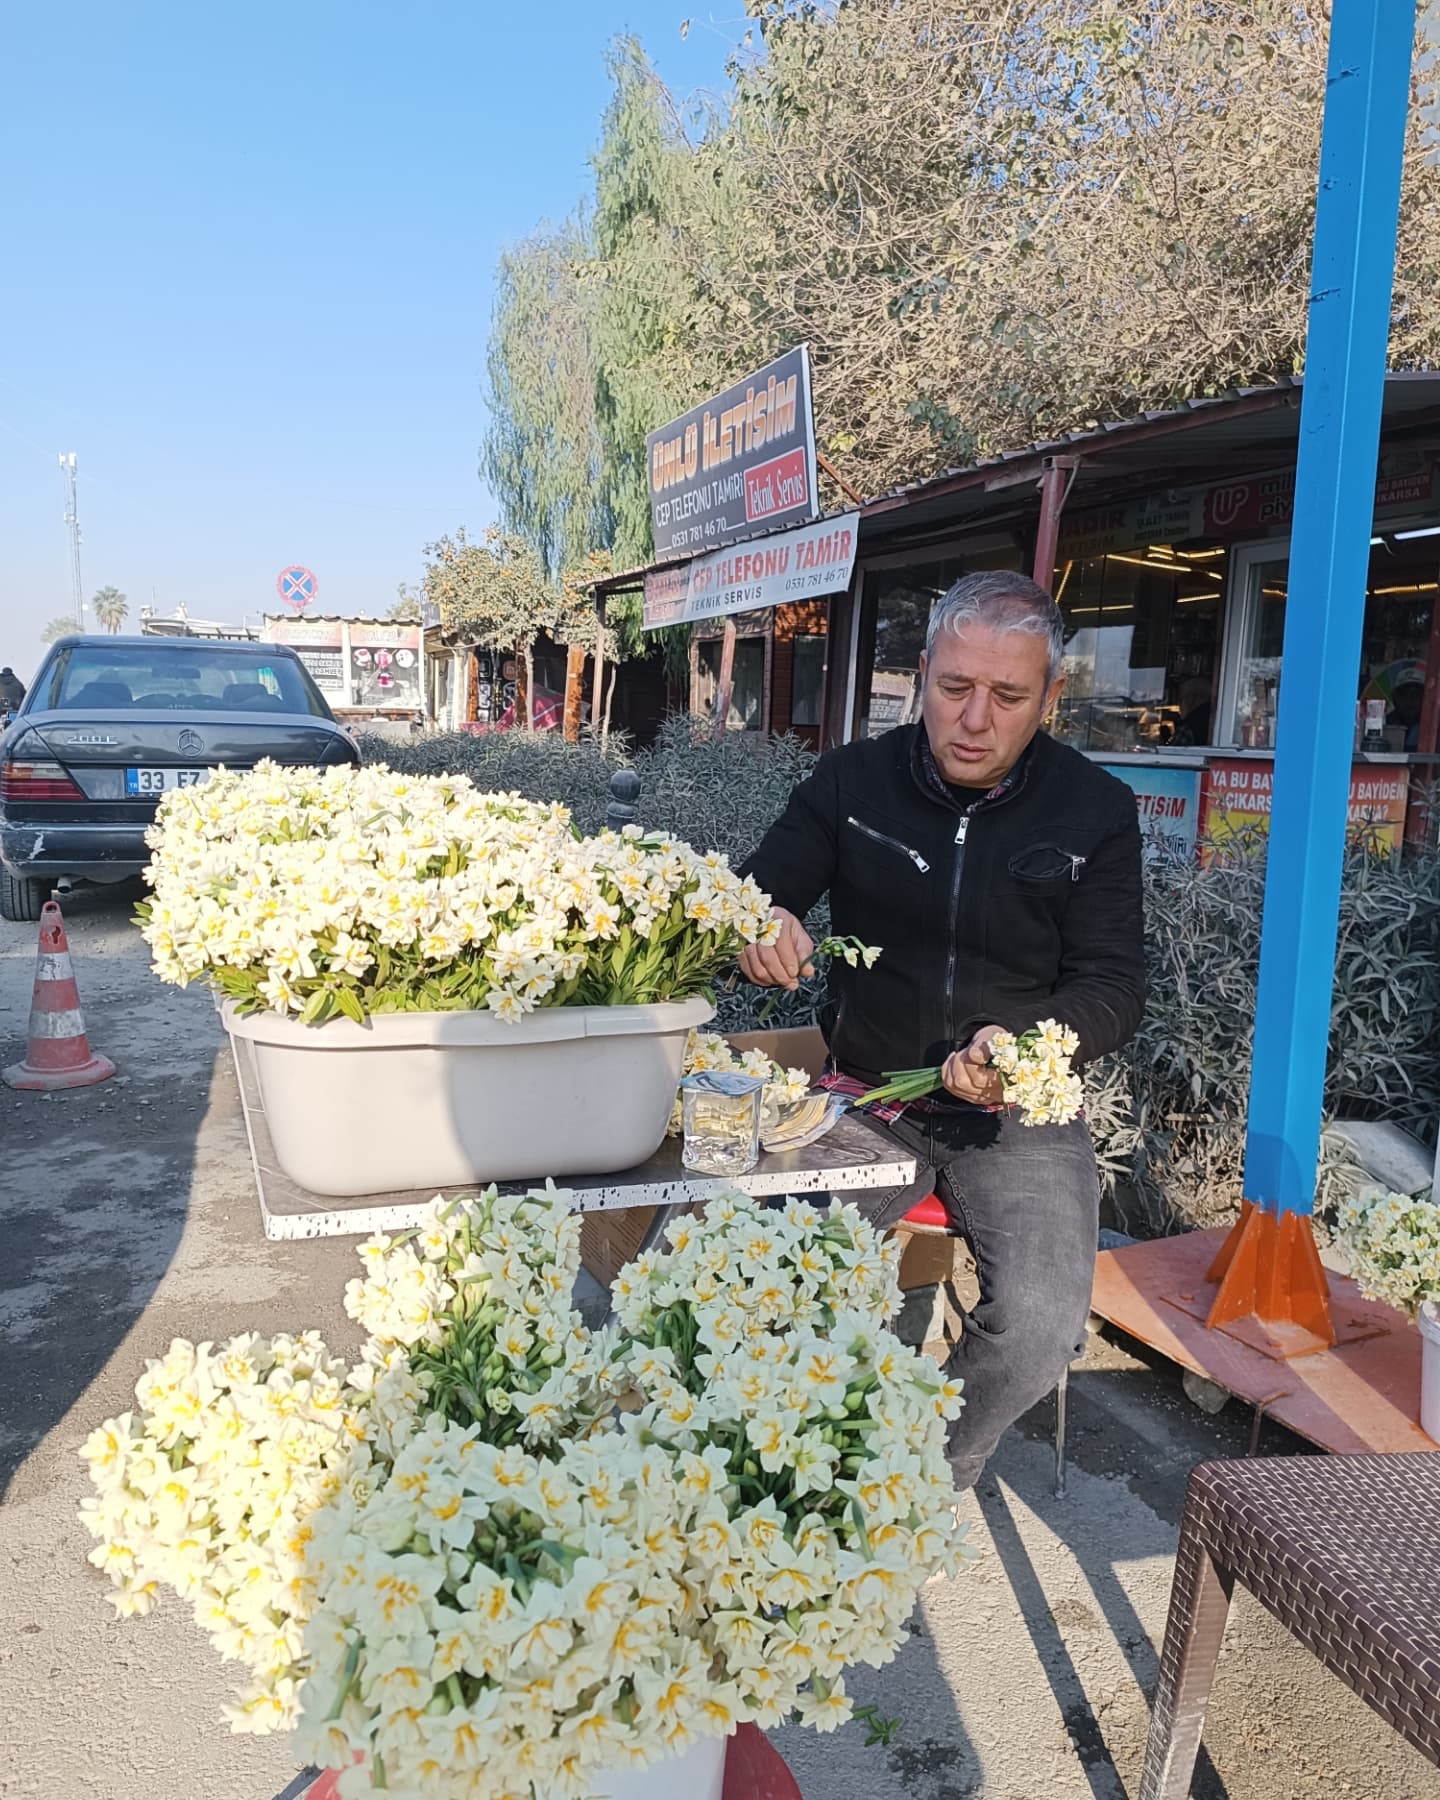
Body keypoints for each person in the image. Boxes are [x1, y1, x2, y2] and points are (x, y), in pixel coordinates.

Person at [739, 571, 1145, 1491]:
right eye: (954, 688)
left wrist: (1025, 1049)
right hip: (865, 1097)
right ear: (921, 673)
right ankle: (758, 1469)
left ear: (1051, 696)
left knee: (1042, 1327)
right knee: (747, 1277)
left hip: (1018, 1114)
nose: (973, 718)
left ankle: (916, 1478)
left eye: (1006, 697)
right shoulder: (852, 782)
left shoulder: (1095, 811)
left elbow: (1114, 989)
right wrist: (759, 926)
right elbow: (756, 894)